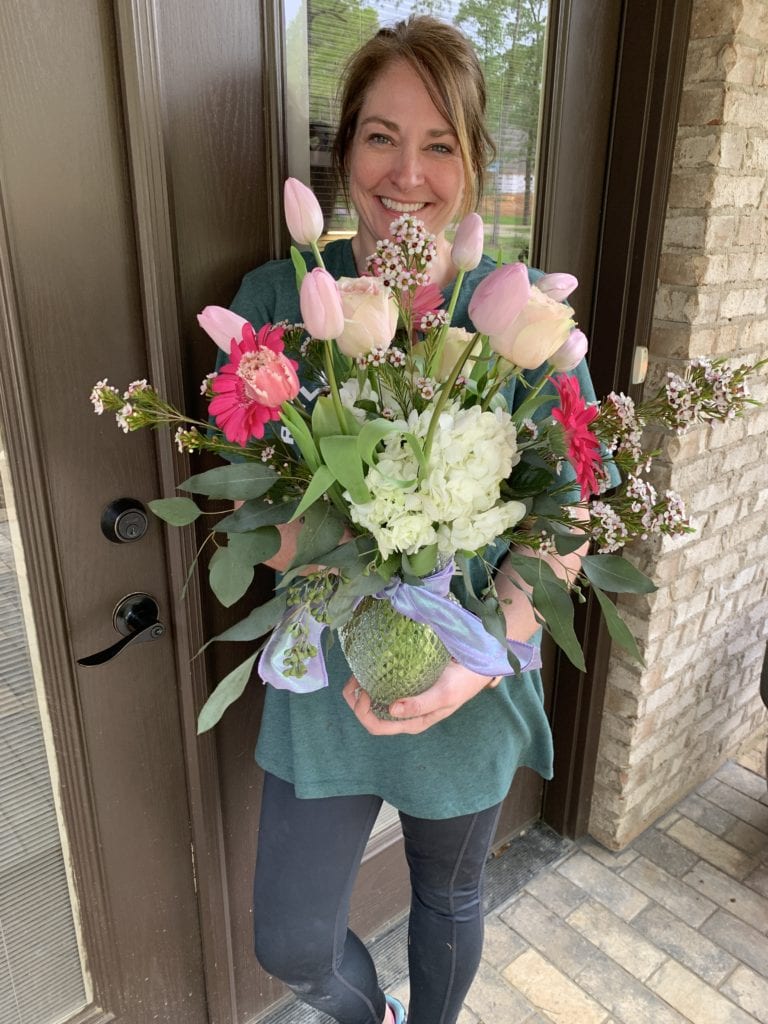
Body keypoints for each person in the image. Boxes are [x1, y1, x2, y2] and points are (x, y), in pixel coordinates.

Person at [225, 16, 599, 1024]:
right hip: (326, 683)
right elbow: (253, 506)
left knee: (450, 897)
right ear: (344, 151)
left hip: (471, 674)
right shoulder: (279, 299)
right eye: (381, 135)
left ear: (474, 164)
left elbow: (570, 516)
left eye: (442, 143)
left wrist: (490, 647)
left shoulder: (516, 311)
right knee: (292, 938)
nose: (408, 172)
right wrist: (339, 548)